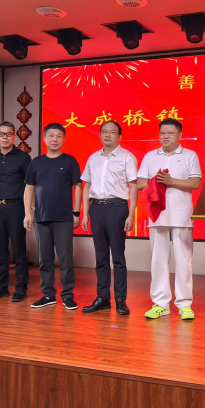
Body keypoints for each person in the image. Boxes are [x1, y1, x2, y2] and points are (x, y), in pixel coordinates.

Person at [136, 118, 202, 320]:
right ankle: (160, 303)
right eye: (163, 133)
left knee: (184, 261)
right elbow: (140, 183)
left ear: (179, 135)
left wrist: (171, 181)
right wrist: (156, 181)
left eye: (170, 133)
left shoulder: (190, 155)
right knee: (158, 261)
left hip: (182, 215)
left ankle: (185, 304)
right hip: (157, 215)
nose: (166, 136)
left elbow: (195, 183)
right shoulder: (150, 156)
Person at [80, 120, 138, 316]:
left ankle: (121, 299)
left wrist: (131, 214)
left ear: (119, 136)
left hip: (117, 208)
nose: (107, 135)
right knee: (101, 257)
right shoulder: (93, 158)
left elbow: (133, 187)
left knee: (118, 257)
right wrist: (85, 213)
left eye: (112, 132)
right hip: (96, 208)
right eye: (104, 131)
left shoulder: (127, 157)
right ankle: (102, 298)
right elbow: (87, 186)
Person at [24, 122, 83, 309]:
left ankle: (67, 295)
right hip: (41, 217)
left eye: (58, 136)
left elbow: (78, 187)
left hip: (64, 217)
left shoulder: (70, 161)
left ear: (63, 139)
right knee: (45, 259)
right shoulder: (36, 162)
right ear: (44, 138)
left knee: (66, 258)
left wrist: (76, 212)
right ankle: (48, 294)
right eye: (51, 136)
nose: (55, 139)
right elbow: (29, 188)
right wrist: (27, 213)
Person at [0, 122, 32, 302]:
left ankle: (21, 288)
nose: (4, 137)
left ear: (14, 136)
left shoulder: (23, 158)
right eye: (1, 134)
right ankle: (1, 288)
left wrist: (28, 211)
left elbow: (29, 186)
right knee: (0, 251)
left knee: (18, 250)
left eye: (8, 134)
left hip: (16, 207)